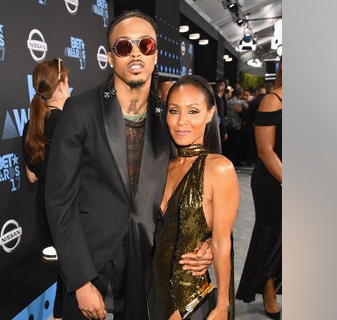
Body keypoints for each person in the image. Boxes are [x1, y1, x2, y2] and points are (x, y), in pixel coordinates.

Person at [44, 10, 213, 320]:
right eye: (124, 46)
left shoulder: (169, 118)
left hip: (150, 269)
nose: (136, 52)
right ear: (110, 57)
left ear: (155, 55)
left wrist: (207, 241)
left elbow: (196, 187)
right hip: (93, 267)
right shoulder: (80, 110)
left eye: (145, 45)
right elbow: (59, 202)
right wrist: (80, 280)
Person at [151, 75, 239, 320]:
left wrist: (223, 307)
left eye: (193, 111)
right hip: (152, 295)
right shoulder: (162, 167)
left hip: (190, 302)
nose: (181, 121)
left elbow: (223, 243)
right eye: (174, 110)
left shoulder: (219, 168)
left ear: (210, 114)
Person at [21, 58, 70, 320]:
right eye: (68, 81)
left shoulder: (32, 125)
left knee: (66, 272)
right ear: (61, 86)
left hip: (45, 210)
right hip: (68, 209)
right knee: (73, 275)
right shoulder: (70, 122)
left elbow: (31, 176)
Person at [235, 59, 282, 320]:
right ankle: (267, 290)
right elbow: (265, 151)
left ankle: (273, 283)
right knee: (270, 239)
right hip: (272, 182)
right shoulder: (272, 100)